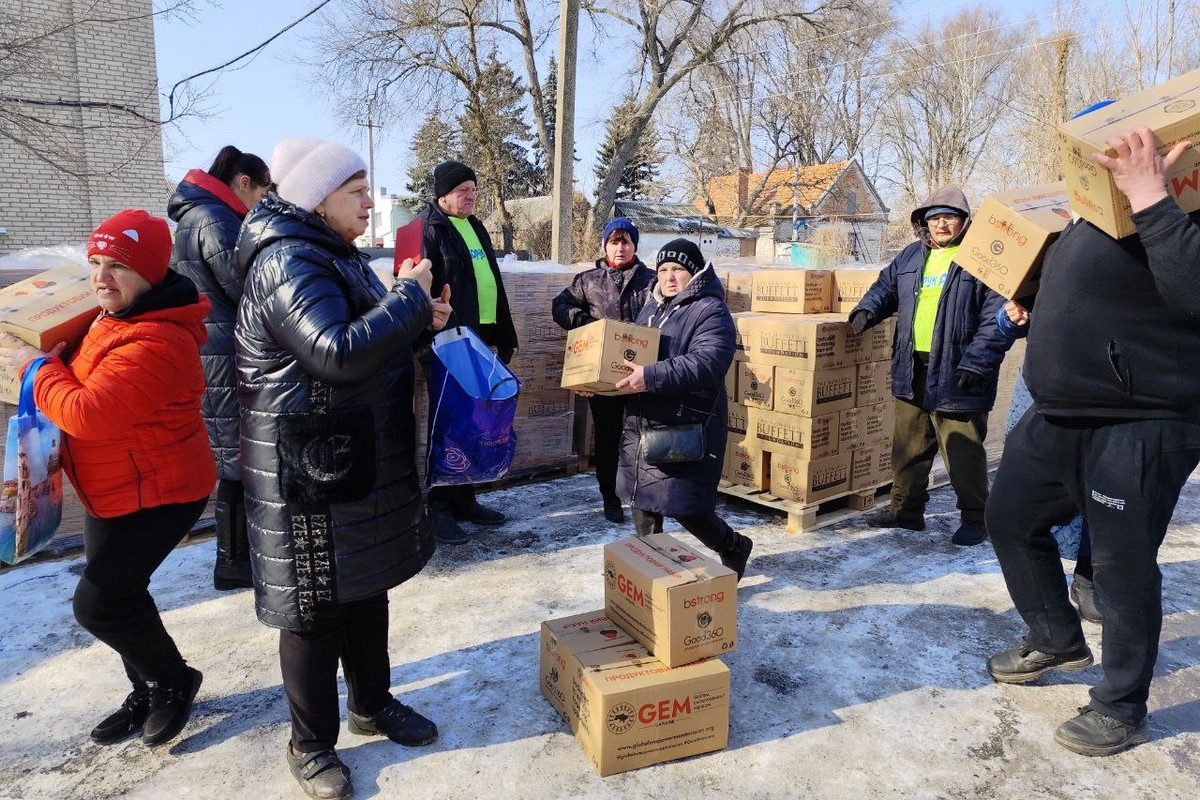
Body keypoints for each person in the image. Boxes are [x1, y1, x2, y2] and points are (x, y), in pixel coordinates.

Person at [235, 139, 451, 800]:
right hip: (304, 472)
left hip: (345, 459)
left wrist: (417, 323)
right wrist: (409, 298)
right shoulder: (286, 262)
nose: (368, 201)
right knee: (314, 609)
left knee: (364, 589)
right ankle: (310, 743)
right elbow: (333, 352)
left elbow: (364, 342)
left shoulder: (334, 256)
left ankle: (371, 703)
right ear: (316, 197)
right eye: (355, 189)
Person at [984, 125, 1200, 757]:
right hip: (1060, 412)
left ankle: (1121, 703)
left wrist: (1152, 196)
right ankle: (1056, 636)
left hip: (1143, 421)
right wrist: (1032, 297)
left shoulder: (1175, 204)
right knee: (1010, 518)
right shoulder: (1096, 212)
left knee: (1119, 567)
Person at [0, 210, 216, 747]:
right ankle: (145, 687)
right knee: (123, 594)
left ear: (150, 271)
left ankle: (173, 681)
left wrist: (34, 367)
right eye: (95, 263)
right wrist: (51, 358)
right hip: (112, 487)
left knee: (99, 604)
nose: (100, 277)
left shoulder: (159, 339)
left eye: (117, 265)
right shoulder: (110, 318)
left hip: (162, 492)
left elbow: (87, 412)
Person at [850, 187, 1010, 546]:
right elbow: (885, 288)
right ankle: (905, 512)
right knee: (908, 446)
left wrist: (979, 361)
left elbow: (997, 317)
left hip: (960, 371)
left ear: (965, 221)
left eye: (950, 216)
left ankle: (975, 518)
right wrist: (866, 311)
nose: (941, 223)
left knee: (963, 451)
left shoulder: (981, 259)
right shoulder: (910, 256)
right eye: (934, 217)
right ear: (923, 222)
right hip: (912, 366)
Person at [615, 238, 753, 580]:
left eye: (678, 269)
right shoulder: (653, 307)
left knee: (686, 506)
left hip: (685, 423)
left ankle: (732, 545)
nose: (669, 277)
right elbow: (631, 353)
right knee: (642, 499)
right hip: (643, 421)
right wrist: (603, 380)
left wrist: (651, 375)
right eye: (663, 270)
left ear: (694, 272)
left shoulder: (710, 310)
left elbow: (708, 363)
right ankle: (654, 578)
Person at [167, 144, 272, 591]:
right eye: (263, 190)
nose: (263, 201)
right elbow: (245, 285)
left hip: (212, 352)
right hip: (224, 354)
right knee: (236, 461)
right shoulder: (215, 219)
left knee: (233, 456)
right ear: (243, 183)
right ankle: (232, 561)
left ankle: (235, 558)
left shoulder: (200, 215)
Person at [416, 160, 518, 544]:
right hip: (448, 341)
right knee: (449, 423)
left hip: (478, 338)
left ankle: (465, 498)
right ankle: (439, 507)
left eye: (474, 189)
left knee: (475, 420)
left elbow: (488, 283)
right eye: (463, 190)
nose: (471, 195)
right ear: (443, 194)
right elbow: (417, 286)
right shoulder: (429, 228)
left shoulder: (475, 227)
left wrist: (502, 332)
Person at [996, 300, 1100, 624]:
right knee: (1016, 507)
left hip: (1107, 388)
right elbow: (1007, 319)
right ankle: (1052, 625)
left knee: (1099, 492)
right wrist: (1012, 316)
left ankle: (1089, 578)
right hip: (1041, 389)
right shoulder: (1051, 253)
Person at [552, 217, 655, 523]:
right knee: (608, 438)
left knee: (643, 437)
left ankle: (644, 496)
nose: (620, 247)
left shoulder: (651, 280)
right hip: (604, 376)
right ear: (605, 245)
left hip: (642, 374)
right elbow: (559, 306)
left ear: (634, 245)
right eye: (614, 241)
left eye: (626, 241)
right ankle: (609, 496)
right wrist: (583, 322)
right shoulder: (589, 280)